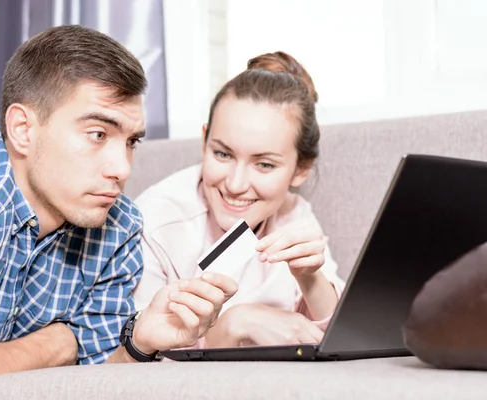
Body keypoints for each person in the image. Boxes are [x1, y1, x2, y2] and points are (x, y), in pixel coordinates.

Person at [0, 25, 237, 392]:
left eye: (131, 141)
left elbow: (95, 380)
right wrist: (58, 344)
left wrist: (139, 343)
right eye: (98, 134)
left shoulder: (119, 225)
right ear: (22, 129)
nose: (122, 169)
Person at [133, 51, 345, 348]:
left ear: (301, 170)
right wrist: (233, 325)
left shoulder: (293, 213)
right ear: (205, 140)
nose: (235, 184)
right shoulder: (155, 221)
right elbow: (136, 357)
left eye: (264, 165)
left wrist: (310, 277)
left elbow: (340, 338)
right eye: (222, 153)